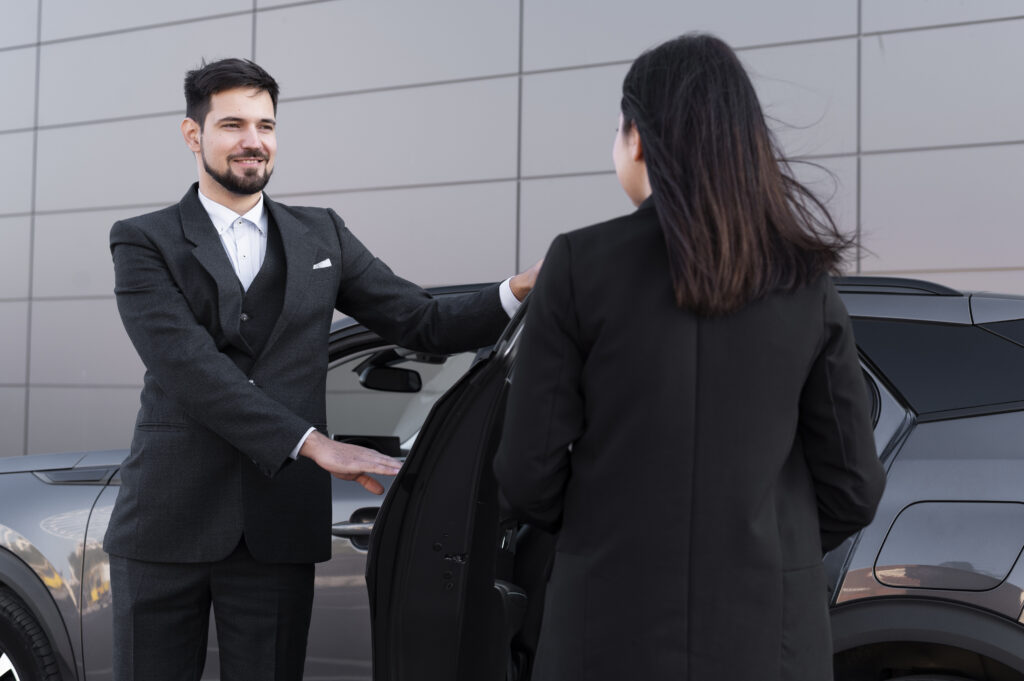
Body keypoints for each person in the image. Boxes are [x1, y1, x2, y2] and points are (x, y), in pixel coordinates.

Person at [105, 58, 537, 681]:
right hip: (167, 521)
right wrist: (311, 443)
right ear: (192, 135)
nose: (254, 141)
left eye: (266, 125)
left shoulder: (322, 234)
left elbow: (421, 320)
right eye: (233, 125)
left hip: (280, 524)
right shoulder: (143, 240)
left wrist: (517, 290)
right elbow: (189, 368)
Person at [493, 33, 886, 680]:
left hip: (606, 631)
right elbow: (854, 487)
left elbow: (526, 473)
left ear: (637, 139)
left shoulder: (577, 265)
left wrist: (602, 532)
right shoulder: (805, 281)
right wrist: (764, 548)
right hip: (769, 643)